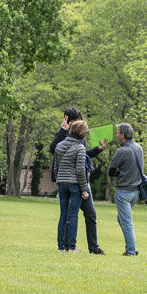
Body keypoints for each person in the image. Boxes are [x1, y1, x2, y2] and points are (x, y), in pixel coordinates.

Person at [49, 107, 106, 255]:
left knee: (89, 214)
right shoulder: (64, 135)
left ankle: (91, 247)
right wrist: (63, 131)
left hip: (75, 181)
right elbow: (53, 150)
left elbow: (83, 156)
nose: (78, 123)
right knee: (70, 216)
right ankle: (68, 247)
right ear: (67, 120)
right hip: (77, 183)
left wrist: (98, 149)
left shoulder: (80, 138)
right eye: (76, 121)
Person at [106, 123, 143, 256]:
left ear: (122, 135)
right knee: (121, 219)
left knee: (126, 222)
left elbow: (110, 172)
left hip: (123, 192)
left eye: (117, 133)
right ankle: (131, 245)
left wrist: (119, 172)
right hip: (136, 192)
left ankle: (131, 251)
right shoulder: (139, 148)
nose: (116, 135)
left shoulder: (121, 151)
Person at [53, 119, 90, 253]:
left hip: (62, 183)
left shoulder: (59, 146)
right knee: (73, 215)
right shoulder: (80, 148)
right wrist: (84, 189)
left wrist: (59, 179)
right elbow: (80, 170)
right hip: (74, 184)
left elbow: (56, 166)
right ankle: (72, 247)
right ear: (82, 134)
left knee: (63, 215)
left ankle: (61, 247)